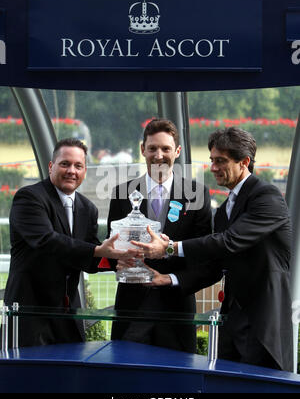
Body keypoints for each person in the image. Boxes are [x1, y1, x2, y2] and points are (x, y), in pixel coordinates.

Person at [132, 127, 293, 372]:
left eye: (221, 161)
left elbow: (229, 242)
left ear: (245, 162)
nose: (214, 168)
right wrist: (170, 279)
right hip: (232, 324)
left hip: (264, 324)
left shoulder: (267, 196)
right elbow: (214, 265)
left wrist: (170, 248)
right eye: (212, 161)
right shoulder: (225, 209)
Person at [4, 138, 139, 347]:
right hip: (29, 312)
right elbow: (48, 241)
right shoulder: (30, 198)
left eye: (78, 166)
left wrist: (120, 260)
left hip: (68, 316)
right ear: (51, 167)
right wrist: (97, 250)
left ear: (85, 171)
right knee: (26, 377)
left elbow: (88, 259)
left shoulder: (88, 208)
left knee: (70, 375)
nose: (71, 171)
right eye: (65, 164)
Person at [107, 118, 212, 353]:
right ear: (142, 149)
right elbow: (111, 245)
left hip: (176, 308)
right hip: (131, 306)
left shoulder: (197, 194)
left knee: (178, 383)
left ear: (177, 151)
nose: (159, 155)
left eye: (166, 148)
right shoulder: (122, 193)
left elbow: (203, 253)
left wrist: (172, 278)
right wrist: (118, 260)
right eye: (152, 148)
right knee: (127, 377)